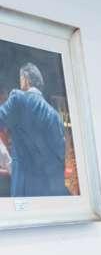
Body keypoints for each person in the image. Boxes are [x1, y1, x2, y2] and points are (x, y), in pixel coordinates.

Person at [0, 63, 68, 197]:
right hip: (50, 192)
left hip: (24, 191)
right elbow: (60, 156)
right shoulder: (55, 116)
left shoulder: (18, 99)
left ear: (25, 80)